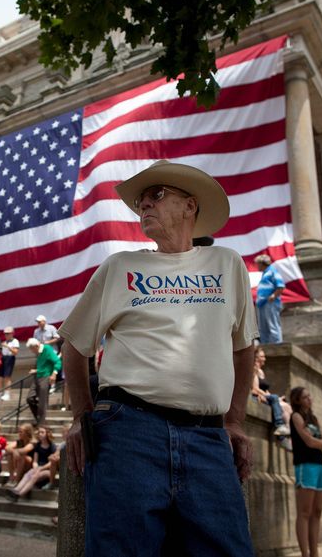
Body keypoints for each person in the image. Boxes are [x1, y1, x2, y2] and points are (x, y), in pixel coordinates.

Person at [59, 160, 258, 556]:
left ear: (190, 206)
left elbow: (244, 348)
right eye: (140, 201)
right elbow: (74, 345)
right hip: (128, 432)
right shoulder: (120, 267)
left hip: (207, 437)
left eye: (156, 195)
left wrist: (234, 420)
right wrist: (82, 416)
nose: (144, 205)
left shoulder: (227, 263)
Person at [289, 387, 322, 557]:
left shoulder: (313, 418)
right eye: (305, 397)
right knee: (304, 512)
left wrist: (320, 442)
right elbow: (308, 441)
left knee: (318, 511)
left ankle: (315, 553)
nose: (309, 399)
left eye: (309, 396)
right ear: (297, 400)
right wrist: (321, 442)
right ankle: (304, 554)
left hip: (320, 465)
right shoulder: (296, 416)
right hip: (305, 465)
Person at [5, 425, 57, 502]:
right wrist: (35, 467)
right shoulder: (38, 445)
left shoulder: (52, 446)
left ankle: (19, 494)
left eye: (42, 432)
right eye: (39, 432)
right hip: (38, 468)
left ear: (47, 434)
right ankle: (16, 489)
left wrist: (40, 468)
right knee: (28, 474)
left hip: (48, 470)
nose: (40, 434)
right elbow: (35, 460)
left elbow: (51, 463)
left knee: (34, 475)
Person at [251, 347, 291, 439]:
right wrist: (267, 395)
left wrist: (276, 398)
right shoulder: (253, 370)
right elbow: (255, 388)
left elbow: (265, 389)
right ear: (256, 358)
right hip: (258, 396)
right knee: (275, 399)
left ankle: (287, 433)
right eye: (262, 356)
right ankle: (279, 426)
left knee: (287, 406)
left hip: (265, 395)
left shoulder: (261, 371)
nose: (264, 358)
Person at [25, 338, 61, 426]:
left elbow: (57, 361)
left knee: (42, 402)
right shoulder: (38, 353)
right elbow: (43, 365)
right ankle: (39, 418)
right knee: (29, 398)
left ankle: (41, 424)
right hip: (38, 376)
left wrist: (54, 374)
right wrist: (36, 370)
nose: (32, 351)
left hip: (45, 377)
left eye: (32, 349)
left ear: (36, 346)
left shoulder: (47, 349)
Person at [254, 254, 286, 344]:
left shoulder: (272, 271)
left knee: (273, 324)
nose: (257, 266)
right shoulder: (265, 273)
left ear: (262, 263)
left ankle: (276, 344)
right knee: (263, 327)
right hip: (262, 303)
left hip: (270, 302)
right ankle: (265, 345)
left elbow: (281, 286)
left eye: (257, 263)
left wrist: (273, 296)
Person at [0, 326, 20, 401]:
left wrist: (7, 347)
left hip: (10, 358)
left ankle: (7, 394)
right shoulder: (4, 342)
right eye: (5, 333)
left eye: (8, 333)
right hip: (3, 358)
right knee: (0, 377)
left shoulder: (15, 341)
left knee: (7, 376)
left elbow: (15, 352)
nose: (6, 335)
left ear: (12, 333)